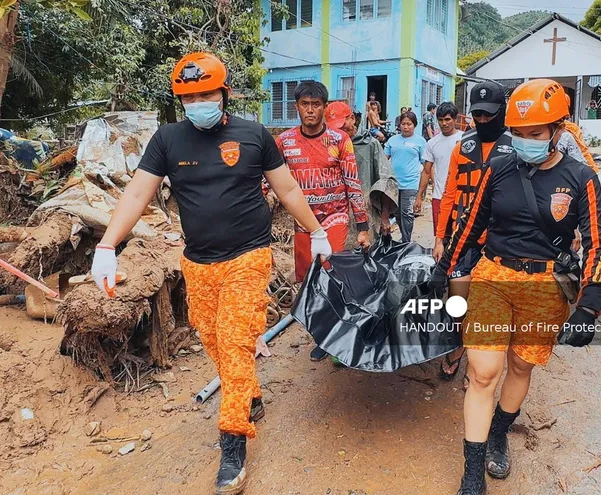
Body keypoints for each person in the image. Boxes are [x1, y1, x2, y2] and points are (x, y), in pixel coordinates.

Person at [90, 53, 330, 494]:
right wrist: (108, 245)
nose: (198, 102)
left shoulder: (254, 135)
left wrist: (315, 231)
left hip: (249, 256)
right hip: (198, 261)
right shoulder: (168, 140)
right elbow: (139, 191)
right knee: (214, 338)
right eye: (189, 96)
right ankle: (250, 396)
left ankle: (232, 441)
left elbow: (288, 188)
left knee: (237, 343)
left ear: (225, 92)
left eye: (205, 94)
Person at [434, 79, 601, 495]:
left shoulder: (581, 177)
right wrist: (444, 269)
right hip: (493, 278)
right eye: (519, 133)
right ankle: (472, 472)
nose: (526, 141)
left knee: (520, 367)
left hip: (545, 286)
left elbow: (599, 243)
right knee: (483, 373)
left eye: (536, 134)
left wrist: (588, 306)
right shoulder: (499, 168)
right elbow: (470, 226)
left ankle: (499, 432)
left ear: (558, 130)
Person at [433, 81, 514, 384]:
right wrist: (441, 237)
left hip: (500, 239)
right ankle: (457, 347)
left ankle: (479, 363)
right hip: (463, 238)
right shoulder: (461, 148)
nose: (482, 121)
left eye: (488, 115)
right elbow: (450, 194)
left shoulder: (515, 147)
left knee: (490, 305)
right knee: (458, 300)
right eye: (477, 115)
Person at [275, 82, 370, 279]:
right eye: (304, 104)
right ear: (297, 106)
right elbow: (268, 179)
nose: (310, 110)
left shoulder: (340, 139)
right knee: (305, 277)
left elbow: (352, 183)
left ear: (324, 107)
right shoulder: (284, 141)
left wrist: (363, 226)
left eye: (316, 104)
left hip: (334, 216)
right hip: (302, 220)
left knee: (330, 273)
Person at [325, 100, 399, 244]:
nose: (338, 132)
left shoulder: (370, 145)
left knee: (365, 257)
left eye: (341, 126)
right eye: (333, 129)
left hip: (366, 214)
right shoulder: (328, 146)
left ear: (352, 118)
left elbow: (387, 180)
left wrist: (384, 217)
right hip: (336, 216)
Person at [417, 102, 463, 235]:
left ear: (455, 119)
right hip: (439, 197)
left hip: (461, 198)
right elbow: (426, 171)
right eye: (441, 120)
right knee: (440, 237)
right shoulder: (432, 143)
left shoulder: (465, 139)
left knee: (460, 237)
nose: (444, 123)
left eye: (447, 119)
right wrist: (419, 196)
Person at [384, 111, 427, 243]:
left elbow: (425, 164)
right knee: (396, 213)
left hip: (411, 183)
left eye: (409, 124)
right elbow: (384, 160)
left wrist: (423, 188)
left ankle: (406, 242)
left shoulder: (420, 142)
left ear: (414, 125)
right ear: (399, 125)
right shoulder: (392, 141)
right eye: (403, 124)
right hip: (394, 183)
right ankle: (404, 237)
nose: (406, 127)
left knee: (407, 213)